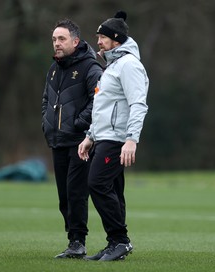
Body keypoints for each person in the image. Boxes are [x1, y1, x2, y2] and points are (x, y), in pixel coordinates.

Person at [78, 11, 149, 261]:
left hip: (117, 139)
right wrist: (90, 136)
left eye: (102, 37)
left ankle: (120, 240)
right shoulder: (113, 66)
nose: (98, 41)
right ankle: (114, 244)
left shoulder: (129, 65)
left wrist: (131, 139)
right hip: (105, 137)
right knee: (113, 191)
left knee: (96, 183)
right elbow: (103, 107)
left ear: (115, 40)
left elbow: (138, 104)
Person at [41, 19, 103, 259]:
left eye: (62, 39)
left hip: (81, 142)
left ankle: (78, 242)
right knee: (64, 196)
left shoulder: (90, 67)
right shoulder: (54, 68)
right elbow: (46, 99)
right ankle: (73, 240)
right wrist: (46, 124)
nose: (56, 43)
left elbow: (99, 101)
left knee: (76, 193)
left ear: (75, 42)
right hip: (58, 140)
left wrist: (79, 123)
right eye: (54, 39)